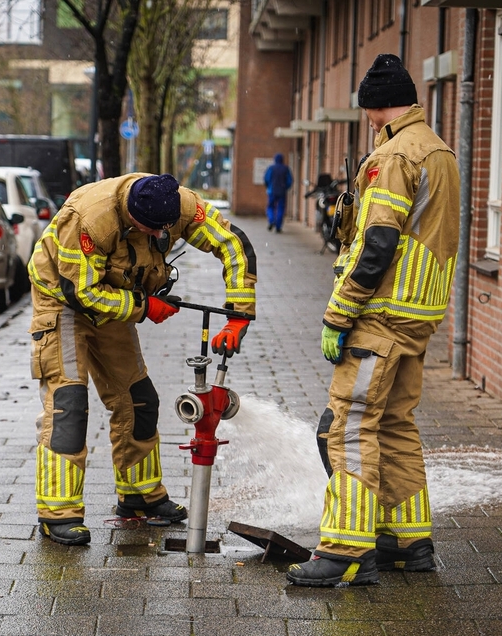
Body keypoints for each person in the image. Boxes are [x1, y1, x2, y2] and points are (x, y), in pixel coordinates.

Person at [287, 54, 460, 587]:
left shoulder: (393, 155)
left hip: (379, 316)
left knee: (350, 426)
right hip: (419, 317)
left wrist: (340, 313)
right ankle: (409, 544)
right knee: (396, 425)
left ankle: (344, 550)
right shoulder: (441, 151)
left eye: (366, 112)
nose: (366, 122)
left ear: (376, 108)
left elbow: (379, 241)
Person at [28, 173, 257, 546]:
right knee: (69, 402)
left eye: (163, 232)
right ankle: (58, 514)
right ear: (131, 214)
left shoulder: (178, 205)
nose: (157, 238)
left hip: (115, 299)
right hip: (63, 302)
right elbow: (80, 293)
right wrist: (144, 306)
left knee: (139, 398)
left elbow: (233, 244)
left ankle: (140, 497)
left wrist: (238, 314)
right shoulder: (89, 218)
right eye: (147, 230)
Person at [264, 153, 293, 232]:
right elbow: (289, 181)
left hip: (272, 191)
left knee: (270, 207)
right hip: (282, 192)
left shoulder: (271, 168)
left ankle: (271, 220)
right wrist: (285, 187)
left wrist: (268, 186)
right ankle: (278, 227)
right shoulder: (286, 169)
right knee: (280, 208)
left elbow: (266, 179)